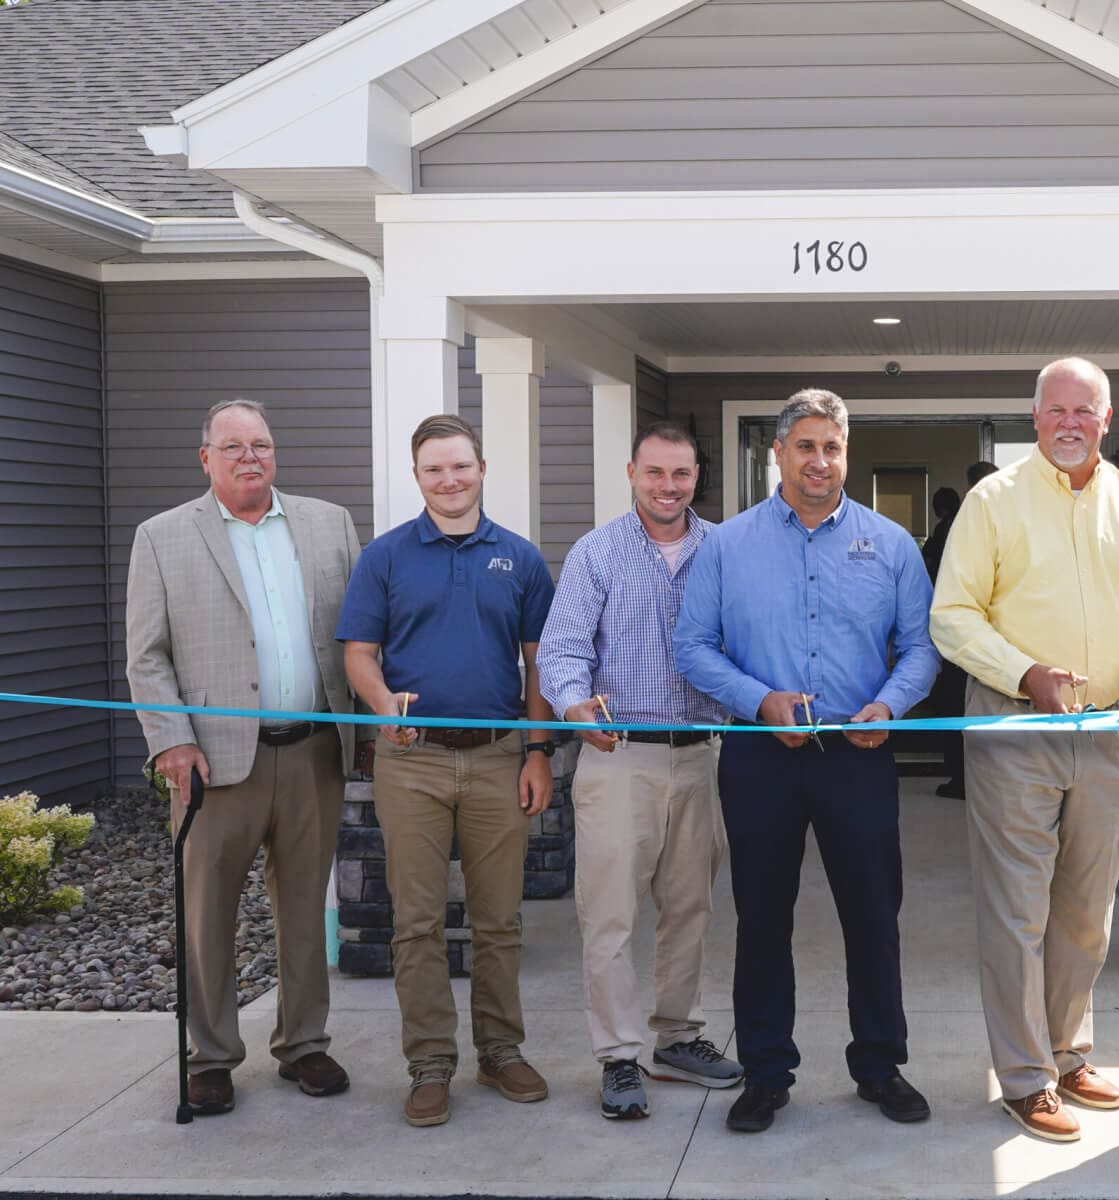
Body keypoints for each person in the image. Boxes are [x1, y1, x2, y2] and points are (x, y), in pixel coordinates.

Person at [930, 359, 1119, 1142]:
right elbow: (953, 615)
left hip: (1109, 729)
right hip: (1015, 726)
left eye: (1085, 410)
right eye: (1056, 411)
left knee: (1087, 911)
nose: (1070, 423)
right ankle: (1023, 1075)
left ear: (1105, 419)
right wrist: (1025, 672)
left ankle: (1069, 1050)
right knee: (1018, 911)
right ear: (1035, 417)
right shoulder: (994, 501)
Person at [674, 388, 939, 1134]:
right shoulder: (725, 546)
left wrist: (887, 705)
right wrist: (760, 701)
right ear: (781, 454)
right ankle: (764, 1072)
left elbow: (921, 647)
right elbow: (692, 646)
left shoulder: (890, 545)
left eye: (833, 446)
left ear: (846, 453)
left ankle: (881, 1065)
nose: (820, 460)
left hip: (858, 754)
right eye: (806, 446)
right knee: (761, 917)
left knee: (872, 917)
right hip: (762, 757)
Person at [125, 398, 362, 1117]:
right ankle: (212, 1055)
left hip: (314, 750)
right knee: (207, 913)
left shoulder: (329, 524)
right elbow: (147, 655)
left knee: (302, 905)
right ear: (206, 459)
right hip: (211, 762)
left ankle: (303, 1044)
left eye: (260, 444)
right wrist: (171, 738)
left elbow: (356, 633)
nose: (249, 457)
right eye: (232, 447)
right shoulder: (163, 536)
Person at [337, 414, 556, 1128]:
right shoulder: (386, 558)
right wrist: (380, 705)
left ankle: (501, 1052)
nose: (449, 480)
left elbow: (538, 664)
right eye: (434, 469)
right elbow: (359, 654)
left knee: (498, 922)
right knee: (417, 923)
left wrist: (536, 751)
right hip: (412, 761)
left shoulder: (520, 559)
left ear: (483, 468)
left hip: (499, 758)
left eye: (460, 466)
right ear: (418, 477)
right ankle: (430, 1065)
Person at [535, 422, 742, 1122]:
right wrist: (571, 706)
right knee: (612, 915)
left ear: (695, 478)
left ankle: (678, 1038)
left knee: (690, 906)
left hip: (702, 756)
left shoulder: (725, 551)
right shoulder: (597, 553)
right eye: (655, 473)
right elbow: (560, 650)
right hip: (617, 755)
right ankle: (618, 1057)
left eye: (681, 474)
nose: (668, 486)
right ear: (632, 473)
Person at [920, 484, 968, 799]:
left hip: (954, 635)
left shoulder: (946, 532)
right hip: (965, 635)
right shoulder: (966, 526)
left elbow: (930, 569)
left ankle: (960, 779)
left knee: (952, 706)